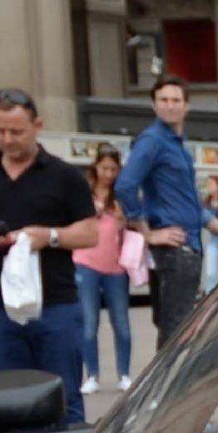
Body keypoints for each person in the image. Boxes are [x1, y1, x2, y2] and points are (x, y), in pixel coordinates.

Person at [0, 86, 98, 422]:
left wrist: (50, 236)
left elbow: (90, 233)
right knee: (13, 399)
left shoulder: (65, 175)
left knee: (63, 396)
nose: (8, 139)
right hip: (0, 306)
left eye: (17, 131)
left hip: (55, 305)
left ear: (37, 126)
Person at [114, 74, 208, 350]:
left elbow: (192, 207)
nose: (170, 105)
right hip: (174, 251)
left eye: (176, 100)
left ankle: (165, 391)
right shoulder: (153, 140)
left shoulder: (176, 145)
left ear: (186, 106)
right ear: (154, 106)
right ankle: (165, 394)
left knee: (176, 328)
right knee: (175, 334)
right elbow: (125, 185)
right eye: (163, 100)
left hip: (186, 246)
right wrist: (148, 233)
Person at [79, 145, 138, 391]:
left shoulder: (122, 195)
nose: (109, 174)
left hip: (116, 266)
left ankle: (124, 374)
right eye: (104, 168)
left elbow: (135, 221)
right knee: (89, 322)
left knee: (121, 323)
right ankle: (92, 375)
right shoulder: (84, 192)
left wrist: (125, 217)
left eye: (113, 169)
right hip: (85, 262)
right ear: (96, 167)